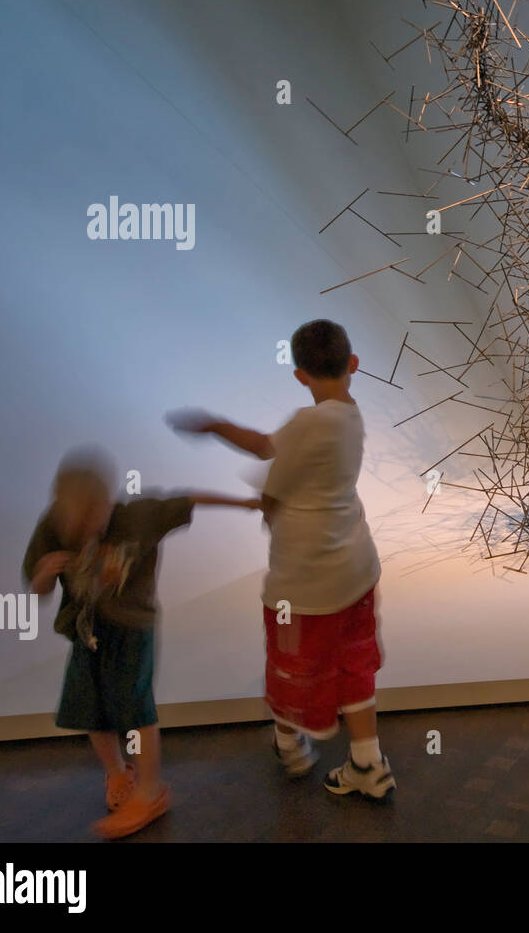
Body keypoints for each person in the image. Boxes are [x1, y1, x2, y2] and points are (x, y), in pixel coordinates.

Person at [167, 319, 393, 798]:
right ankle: (368, 764)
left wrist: (213, 429)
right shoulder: (349, 414)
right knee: (354, 663)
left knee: (292, 664)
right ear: (353, 364)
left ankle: (290, 748)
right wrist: (218, 427)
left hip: (304, 582)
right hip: (356, 569)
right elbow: (274, 447)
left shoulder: (308, 423)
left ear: (299, 375)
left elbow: (272, 472)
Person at [23, 446, 260, 838]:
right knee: (89, 706)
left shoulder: (138, 516)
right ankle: (118, 773)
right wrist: (44, 574)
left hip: (133, 627)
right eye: (74, 525)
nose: (83, 531)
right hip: (86, 628)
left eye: (91, 520)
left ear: (107, 504)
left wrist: (248, 503)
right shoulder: (52, 524)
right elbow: (39, 588)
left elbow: (192, 497)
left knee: (134, 706)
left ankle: (150, 791)